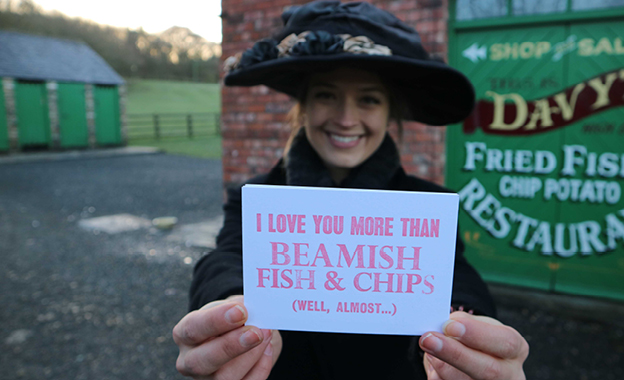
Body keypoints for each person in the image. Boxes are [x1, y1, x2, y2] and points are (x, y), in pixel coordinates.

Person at [172, 2, 529, 379]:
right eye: (326, 95)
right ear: (303, 107)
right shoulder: (258, 196)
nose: (345, 118)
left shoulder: (427, 206)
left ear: (390, 112)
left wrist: (465, 323)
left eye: (368, 99)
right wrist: (231, 306)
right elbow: (225, 258)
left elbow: (456, 276)